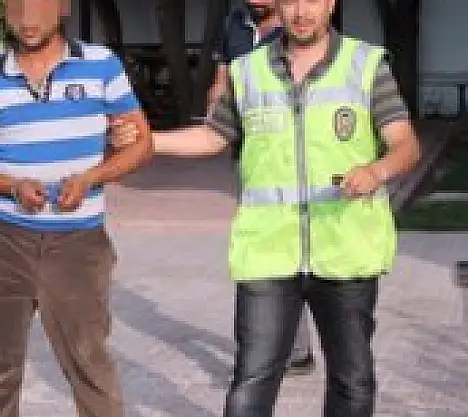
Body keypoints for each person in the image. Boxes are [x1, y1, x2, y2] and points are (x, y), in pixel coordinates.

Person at [152, 0, 420, 415]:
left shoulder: (366, 65)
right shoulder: (247, 72)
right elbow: (212, 137)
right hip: (269, 254)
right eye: (291, 1)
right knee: (251, 383)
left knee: (352, 382)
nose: (301, 12)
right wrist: (148, 142)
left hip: (345, 251)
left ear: (330, 3)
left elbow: (405, 144)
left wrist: (376, 170)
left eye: (311, 0)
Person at [0, 0, 152, 416]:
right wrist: (12, 185)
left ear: (62, 7)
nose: (27, 19)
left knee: (88, 362)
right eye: (16, 6)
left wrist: (91, 178)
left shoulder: (101, 65)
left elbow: (141, 144)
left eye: (38, 5)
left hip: (79, 241)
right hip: (5, 240)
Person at [211, 0, 316, 376]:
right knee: (260, 253)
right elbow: (222, 79)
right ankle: (271, 347)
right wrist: (216, 110)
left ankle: (293, 349)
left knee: (292, 254)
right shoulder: (234, 24)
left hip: (293, 160)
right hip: (251, 157)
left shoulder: (297, 28)